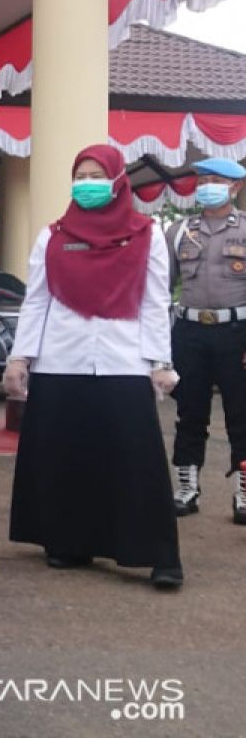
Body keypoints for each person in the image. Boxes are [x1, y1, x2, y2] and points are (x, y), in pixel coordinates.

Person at [2, 145, 183, 589]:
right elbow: (38, 300)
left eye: (95, 174)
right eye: (79, 175)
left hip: (124, 360)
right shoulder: (54, 235)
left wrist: (161, 361)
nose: (86, 183)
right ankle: (67, 542)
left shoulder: (146, 234)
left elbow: (156, 301)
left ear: (118, 179)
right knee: (66, 454)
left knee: (135, 458)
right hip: (60, 359)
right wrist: (20, 357)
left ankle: (158, 555)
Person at [166, 157, 246, 525]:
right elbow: (160, 287)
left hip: (237, 333)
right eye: (203, 180)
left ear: (235, 187)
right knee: (190, 413)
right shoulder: (180, 231)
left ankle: (244, 494)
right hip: (190, 332)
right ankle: (186, 488)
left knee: (242, 416)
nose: (207, 187)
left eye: (216, 180)